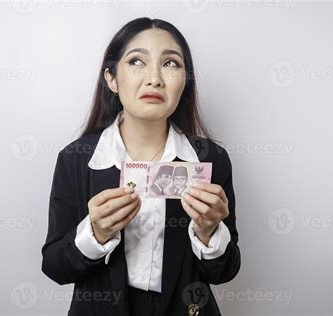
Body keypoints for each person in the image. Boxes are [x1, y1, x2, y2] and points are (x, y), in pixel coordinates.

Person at [41, 17, 241, 316]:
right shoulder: (76, 159)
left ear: (185, 81)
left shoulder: (212, 159)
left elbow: (224, 272)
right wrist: (95, 233)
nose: (155, 78)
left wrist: (209, 231)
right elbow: (55, 267)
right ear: (111, 78)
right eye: (137, 61)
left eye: (171, 64)